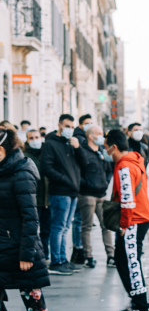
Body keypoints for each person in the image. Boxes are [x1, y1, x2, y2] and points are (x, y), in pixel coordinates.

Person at [0, 129, 57, 311]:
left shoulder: (21, 171)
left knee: (32, 296)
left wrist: (27, 254)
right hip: (3, 245)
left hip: (22, 247)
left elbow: (30, 218)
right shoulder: (4, 170)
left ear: (3, 150)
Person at [105, 130, 149, 311]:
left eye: (106, 146)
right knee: (123, 259)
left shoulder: (124, 166)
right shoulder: (134, 160)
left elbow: (127, 199)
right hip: (138, 218)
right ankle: (137, 302)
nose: (105, 150)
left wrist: (124, 224)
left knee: (130, 262)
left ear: (114, 147)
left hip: (134, 220)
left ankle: (142, 308)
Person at [41, 115, 83, 276]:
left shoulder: (70, 143)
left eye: (71, 126)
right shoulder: (50, 144)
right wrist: (65, 179)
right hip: (59, 191)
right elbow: (46, 168)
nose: (69, 129)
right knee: (58, 227)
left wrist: (78, 148)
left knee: (65, 227)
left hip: (72, 190)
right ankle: (56, 261)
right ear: (59, 125)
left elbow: (83, 163)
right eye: (67, 126)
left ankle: (63, 259)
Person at [76, 126, 114, 269]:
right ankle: (88, 256)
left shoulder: (101, 151)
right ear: (91, 136)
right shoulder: (82, 151)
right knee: (86, 226)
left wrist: (105, 182)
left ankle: (111, 255)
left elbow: (109, 169)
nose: (102, 136)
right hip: (87, 194)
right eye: (99, 134)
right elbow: (78, 172)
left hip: (102, 194)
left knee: (107, 225)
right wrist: (87, 184)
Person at [69, 115, 94, 264]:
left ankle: (81, 250)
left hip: (90, 187)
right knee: (80, 221)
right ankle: (79, 250)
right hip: (81, 187)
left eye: (91, 123)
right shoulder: (77, 140)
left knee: (82, 222)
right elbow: (81, 163)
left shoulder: (88, 140)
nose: (89, 125)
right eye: (87, 123)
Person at [23, 130, 50, 258]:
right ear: (27, 140)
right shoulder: (25, 156)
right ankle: (37, 255)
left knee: (46, 229)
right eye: (31, 138)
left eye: (37, 137)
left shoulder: (46, 153)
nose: (35, 140)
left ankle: (45, 253)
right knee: (34, 230)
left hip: (47, 199)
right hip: (34, 199)